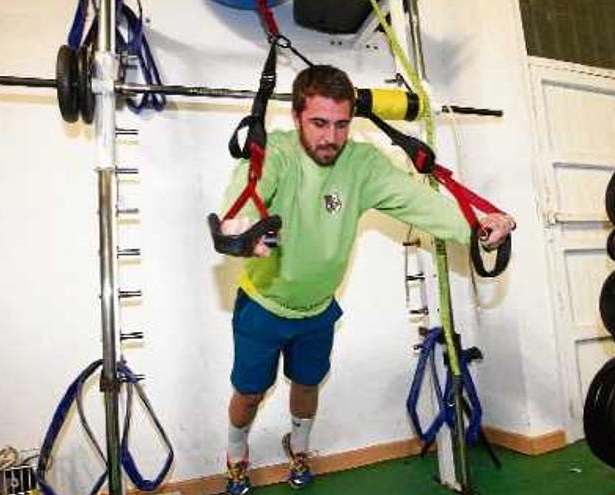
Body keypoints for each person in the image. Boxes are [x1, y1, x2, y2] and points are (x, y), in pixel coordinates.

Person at [217, 64, 515, 494]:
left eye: (341, 125)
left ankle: (298, 447)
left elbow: (418, 202)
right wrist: (239, 229)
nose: (331, 138)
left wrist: (476, 227)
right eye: (319, 123)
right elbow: (249, 189)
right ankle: (236, 454)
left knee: (307, 385)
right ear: (297, 116)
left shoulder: (360, 163)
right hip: (263, 305)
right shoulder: (278, 152)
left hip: (318, 310)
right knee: (248, 394)